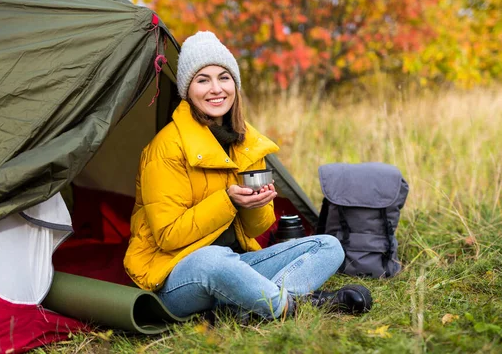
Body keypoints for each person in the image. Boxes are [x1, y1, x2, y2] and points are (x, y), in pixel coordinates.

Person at [124, 31, 371, 320]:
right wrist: (228, 201)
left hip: (236, 264)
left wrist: (256, 204)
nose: (216, 89)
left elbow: (254, 231)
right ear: (187, 90)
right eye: (203, 80)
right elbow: (167, 237)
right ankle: (295, 305)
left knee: (328, 246)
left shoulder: (246, 142)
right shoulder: (166, 148)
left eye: (224, 78)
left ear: (235, 84)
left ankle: (246, 307)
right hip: (174, 275)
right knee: (213, 260)